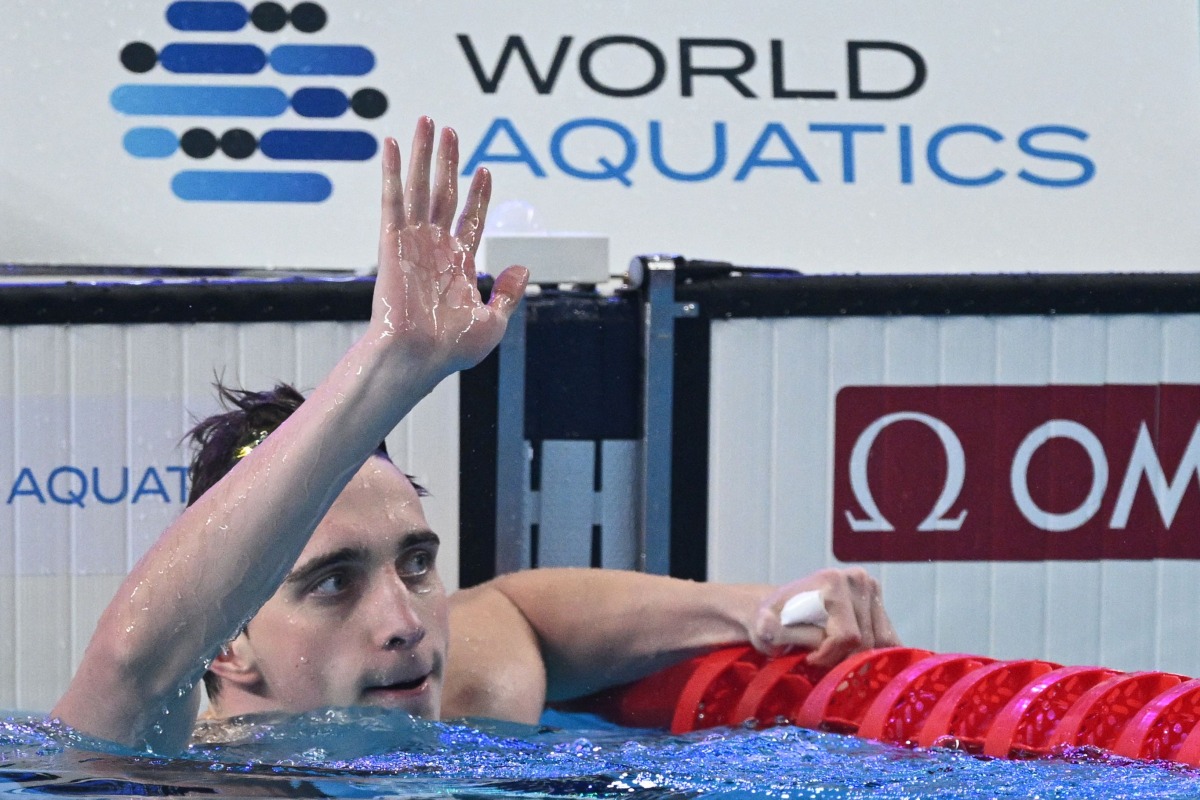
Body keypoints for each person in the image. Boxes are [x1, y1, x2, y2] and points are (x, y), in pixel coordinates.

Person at [52, 117, 898, 755]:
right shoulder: (152, 762)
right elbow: (138, 659)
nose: (408, 623)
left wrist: (744, 608)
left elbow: (521, 614)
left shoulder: (448, 694)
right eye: (332, 584)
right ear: (228, 643)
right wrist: (391, 367)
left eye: (416, 564)